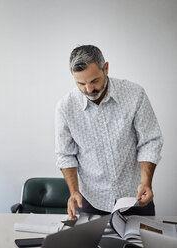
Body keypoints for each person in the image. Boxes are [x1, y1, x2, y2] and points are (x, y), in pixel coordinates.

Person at [55, 45, 163, 220]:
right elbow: (65, 154)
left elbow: (150, 141)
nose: (89, 89)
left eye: (94, 81)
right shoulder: (65, 107)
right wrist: (74, 191)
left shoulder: (135, 95)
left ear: (106, 68)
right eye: (81, 83)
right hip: (91, 201)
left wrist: (146, 183)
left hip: (136, 197)